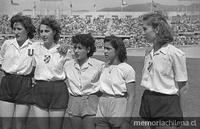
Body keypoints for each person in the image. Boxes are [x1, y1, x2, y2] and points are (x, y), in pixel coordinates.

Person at [139, 11, 188, 129]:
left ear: (157, 29)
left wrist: (178, 114)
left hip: (167, 105)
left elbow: (184, 87)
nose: (143, 33)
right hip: (147, 100)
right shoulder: (148, 53)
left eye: (145, 29)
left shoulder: (174, 53)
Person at [30, 17, 69, 129]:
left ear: (54, 32)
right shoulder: (35, 48)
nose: (43, 34)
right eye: (41, 31)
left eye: (47, 31)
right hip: (40, 89)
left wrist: (66, 46)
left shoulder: (63, 51)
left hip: (58, 90)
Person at [0, 14, 36, 129]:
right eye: (14, 29)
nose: (16, 32)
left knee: (20, 125)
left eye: (19, 29)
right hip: (7, 83)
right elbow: (1, 59)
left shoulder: (35, 46)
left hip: (24, 83)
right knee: (5, 125)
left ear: (28, 30)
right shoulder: (7, 44)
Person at [64, 33, 104, 129]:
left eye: (80, 48)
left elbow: (105, 85)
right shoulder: (67, 65)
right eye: (75, 48)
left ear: (88, 49)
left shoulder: (98, 65)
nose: (76, 51)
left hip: (90, 101)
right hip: (74, 101)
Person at [95, 35, 136, 129]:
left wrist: (127, 120)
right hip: (103, 105)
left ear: (117, 50)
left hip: (118, 105)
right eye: (104, 48)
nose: (105, 51)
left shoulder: (127, 69)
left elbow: (132, 96)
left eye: (108, 49)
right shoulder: (103, 67)